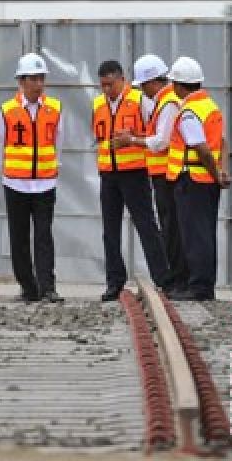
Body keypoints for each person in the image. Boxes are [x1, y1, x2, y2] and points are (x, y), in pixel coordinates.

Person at [91, 59, 169, 302]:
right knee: (110, 230)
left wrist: (133, 138)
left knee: (146, 226)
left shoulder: (140, 101)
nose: (106, 90)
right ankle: (115, 281)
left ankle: (162, 279)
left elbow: (154, 134)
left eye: (110, 85)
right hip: (108, 174)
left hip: (134, 172)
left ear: (122, 79)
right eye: (102, 85)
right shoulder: (97, 104)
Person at [114, 54, 186, 294]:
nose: (141, 90)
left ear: (153, 81)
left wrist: (133, 140)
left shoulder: (167, 103)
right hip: (162, 174)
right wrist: (138, 135)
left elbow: (161, 142)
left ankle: (176, 280)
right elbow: (155, 135)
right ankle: (174, 280)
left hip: (167, 174)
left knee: (172, 228)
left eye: (143, 85)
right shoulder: (162, 102)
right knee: (168, 226)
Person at [0, 52, 63, 303]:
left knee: (44, 236)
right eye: (33, 79)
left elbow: (59, 143)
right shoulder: (6, 110)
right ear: (21, 81)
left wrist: (53, 170)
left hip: (45, 183)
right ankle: (27, 286)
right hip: (15, 183)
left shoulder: (55, 108)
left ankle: (47, 287)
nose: (38, 84)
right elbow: (0, 146)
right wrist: (7, 174)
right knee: (19, 236)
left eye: (41, 79)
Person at [165, 56, 231, 301]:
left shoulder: (189, 112)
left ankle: (199, 287)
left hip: (192, 179)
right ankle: (204, 285)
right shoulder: (210, 106)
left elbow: (201, 148)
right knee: (205, 233)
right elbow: (222, 142)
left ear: (179, 86)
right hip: (204, 181)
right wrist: (221, 171)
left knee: (195, 235)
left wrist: (216, 174)